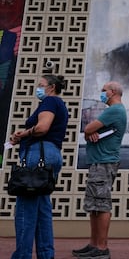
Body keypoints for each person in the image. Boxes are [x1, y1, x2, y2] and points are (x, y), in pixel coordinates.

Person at [9, 74, 69, 259]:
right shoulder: (60, 104)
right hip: (52, 155)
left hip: (39, 154)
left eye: (41, 85)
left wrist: (23, 134)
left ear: (51, 87)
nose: (38, 88)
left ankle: (22, 255)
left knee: (25, 210)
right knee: (42, 209)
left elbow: (42, 127)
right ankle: (45, 254)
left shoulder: (49, 101)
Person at [72, 81, 127, 259]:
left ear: (112, 92)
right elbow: (89, 132)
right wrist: (89, 133)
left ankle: (102, 247)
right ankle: (94, 244)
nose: (101, 93)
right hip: (99, 162)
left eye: (103, 90)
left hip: (104, 162)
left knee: (101, 205)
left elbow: (88, 128)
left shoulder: (115, 110)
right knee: (94, 205)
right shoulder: (112, 111)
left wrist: (89, 131)